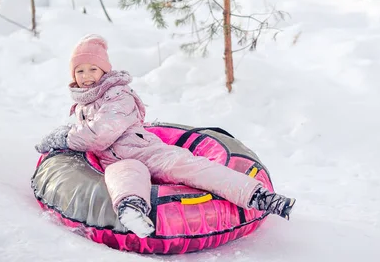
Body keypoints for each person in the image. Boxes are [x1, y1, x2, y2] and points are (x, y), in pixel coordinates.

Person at [35, 34, 295, 238]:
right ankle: (133, 211)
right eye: (80, 71)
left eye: (93, 69)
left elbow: (99, 134)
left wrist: (65, 138)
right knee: (124, 175)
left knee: (193, 168)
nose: (86, 77)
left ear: (105, 71)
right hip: (117, 162)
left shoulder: (118, 95)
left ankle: (258, 196)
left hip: (146, 150)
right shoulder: (82, 104)